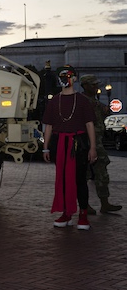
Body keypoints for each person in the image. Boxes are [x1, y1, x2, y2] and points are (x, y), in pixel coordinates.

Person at [42, 65, 96, 230]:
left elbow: (89, 124)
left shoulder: (82, 100)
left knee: (80, 179)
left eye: (68, 76)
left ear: (74, 79)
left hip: (78, 143)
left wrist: (92, 148)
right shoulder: (54, 101)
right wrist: (45, 147)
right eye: (63, 76)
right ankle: (67, 213)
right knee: (63, 179)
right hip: (60, 143)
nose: (66, 79)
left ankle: (83, 214)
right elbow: (49, 126)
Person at [80, 74, 122, 214]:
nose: (96, 87)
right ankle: (84, 205)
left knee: (102, 173)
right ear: (85, 86)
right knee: (83, 175)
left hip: (97, 142)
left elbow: (102, 116)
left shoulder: (95, 102)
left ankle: (105, 203)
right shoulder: (81, 101)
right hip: (84, 142)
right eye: (93, 85)